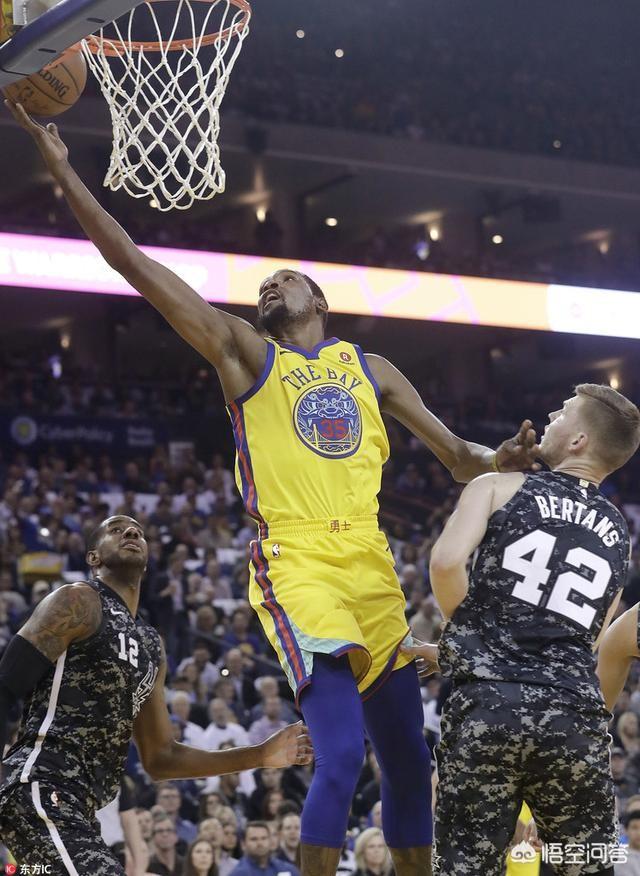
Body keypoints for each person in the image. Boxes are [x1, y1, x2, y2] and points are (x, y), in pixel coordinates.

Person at [5, 100, 541, 876]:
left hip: (371, 566)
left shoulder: (370, 368)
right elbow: (134, 266)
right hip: (297, 563)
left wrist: (504, 459)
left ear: (318, 301)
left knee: (409, 762)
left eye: (283, 279)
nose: (268, 287)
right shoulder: (246, 354)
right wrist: (63, 172)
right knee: (340, 755)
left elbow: (459, 457)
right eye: (263, 283)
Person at [405, 384, 640, 876]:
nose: (550, 416)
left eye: (562, 413)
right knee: (589, 865)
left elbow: (446, 564)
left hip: (487, 708)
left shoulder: (498, 486)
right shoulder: (620, 531)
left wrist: (472, 644)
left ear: (577, 440)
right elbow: (591, 637)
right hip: (574, 718)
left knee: (466, 867)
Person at [0, 513, 312, 874]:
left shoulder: (151, 644)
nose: (131, 531)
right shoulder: (77, 601)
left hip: (82, 807)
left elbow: (162, 758)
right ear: (93, 557)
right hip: (40, 786)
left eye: (137, 531)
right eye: (116, 529)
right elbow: (5, 686)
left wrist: (259, 755)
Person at [229, 821, 300, 876]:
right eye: (254, 839)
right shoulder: (238, 873)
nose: (260, 843)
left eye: (264, 838)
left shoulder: (287, 869)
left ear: (270, 841)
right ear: (243, 844)